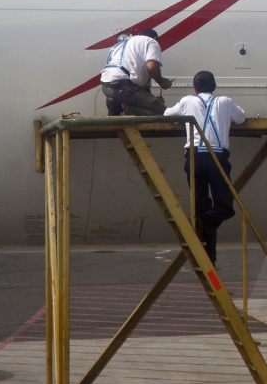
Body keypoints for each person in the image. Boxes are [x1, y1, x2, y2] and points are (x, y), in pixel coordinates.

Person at [164, 71, 246, 267]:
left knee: (201, 206)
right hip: (217, 157)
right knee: (224, 206)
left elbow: (168, 114)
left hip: (194, 158)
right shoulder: (225, 102)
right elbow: (241, 118)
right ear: (214, 86)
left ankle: (207, 254)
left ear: (195, 87)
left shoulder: (187, 101)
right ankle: (205, 224)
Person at [101, 29, 173, 116]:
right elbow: (151, 67)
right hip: (124, 87)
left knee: (141, 105)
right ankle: (121, 105)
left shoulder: (122, 44)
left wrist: (151, 99)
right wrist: (162, 82)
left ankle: (117, 104)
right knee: (164, 112)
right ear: (155, 38)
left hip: (106, 86)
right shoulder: (151, 42)